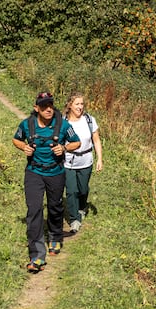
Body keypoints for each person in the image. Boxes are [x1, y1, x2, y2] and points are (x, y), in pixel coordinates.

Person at [12, 92, 80, 273]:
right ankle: (36, 255)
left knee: (55, 206)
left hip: (56, 173)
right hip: (34, 172)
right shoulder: (27, 125)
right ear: (36, 108)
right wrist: (24, 147)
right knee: (34, 210)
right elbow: (16, 139)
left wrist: (64, 147)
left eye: (50, 105)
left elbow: (77, 143)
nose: (48, 109)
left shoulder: (63, 125)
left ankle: (55, 236)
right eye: (43, 106)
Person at [63, 92, 103, 234]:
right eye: (77, 104)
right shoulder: (63, 122)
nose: (80, 107)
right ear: (69, 105)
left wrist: (100, 159)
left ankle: (82, 206)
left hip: (86, 160)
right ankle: (74, 219)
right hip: (68, 161)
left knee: (83, 189)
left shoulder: (89, 120)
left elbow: (96, 140)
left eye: (82, 104)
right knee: (71, 191)